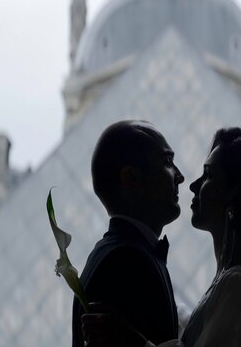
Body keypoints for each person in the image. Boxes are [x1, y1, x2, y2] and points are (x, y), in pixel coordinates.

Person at [82, 127, 241, 347]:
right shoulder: (236, 277)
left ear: (236, 194)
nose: (192, 184)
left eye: (209, 175)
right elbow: (202, 330)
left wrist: (134, 342)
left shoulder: (239, 284)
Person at [72, 120, 185, 347]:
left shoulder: (119, 252)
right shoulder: (125, 261)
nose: (180, 176)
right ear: (130, 177)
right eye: (168, 162)